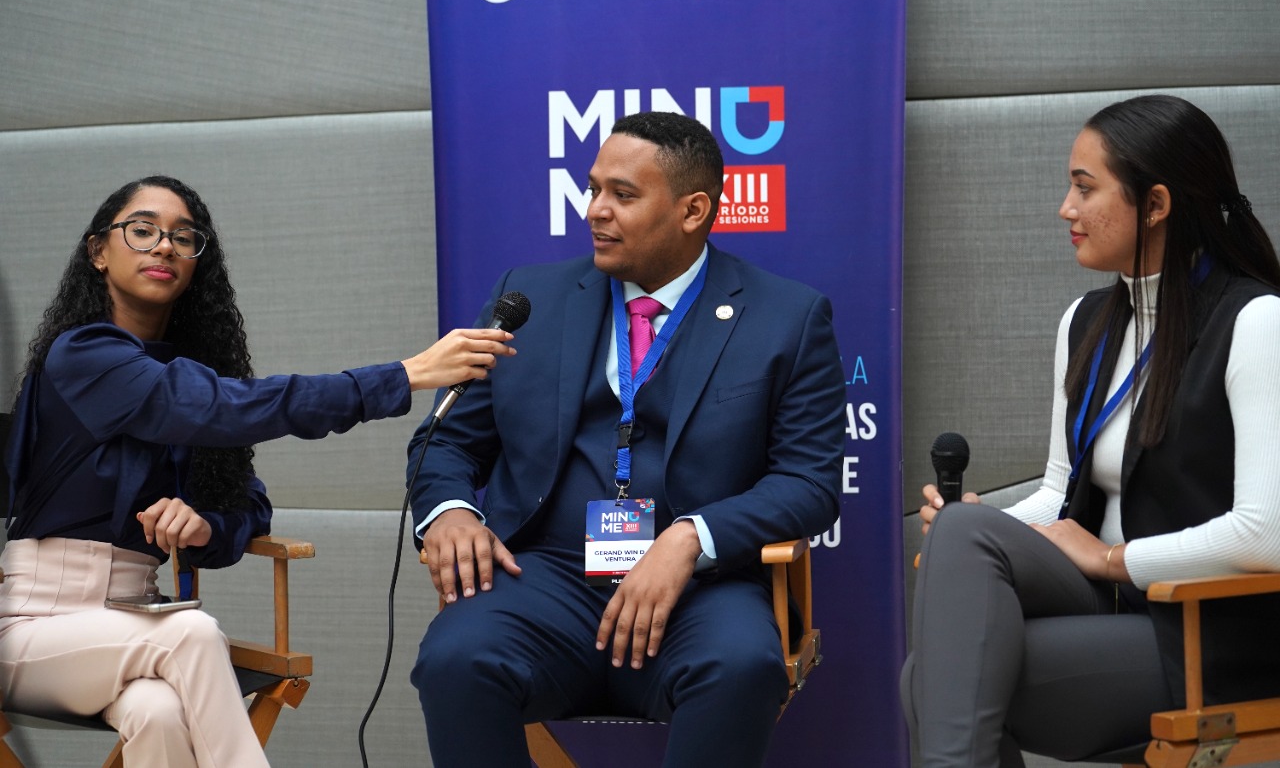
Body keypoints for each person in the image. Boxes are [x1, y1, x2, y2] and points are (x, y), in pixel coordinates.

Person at [0, 175, 515, 768]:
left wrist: (205, 527)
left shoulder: (187, 373)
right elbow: (226, 407)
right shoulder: (84, 354)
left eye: (183, 237)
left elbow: (249, 505)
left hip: (133, 619)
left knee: (157, 712)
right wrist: (403, 375)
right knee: (193, 634)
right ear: (98, 251)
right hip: (33, 622)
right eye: (142, 231)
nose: (164, 245)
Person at [408, 111, 845, 767]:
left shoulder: (787, 316)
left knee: (742, 666)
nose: (596, 210)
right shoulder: (528, 298)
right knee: (454, 657)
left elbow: (809, 482)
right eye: (593, 189)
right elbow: (445, 442)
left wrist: (690, 538)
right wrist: (449, 513)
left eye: (623, 194)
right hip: (544, 577)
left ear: (693, 211)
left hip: (701, 590)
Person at [901, 94, 1280, 766]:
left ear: (1155, 204)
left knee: (929, 680)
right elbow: (1059, 492)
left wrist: (1111, 559)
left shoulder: (1256, 322)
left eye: (1084, 188)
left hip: (1204, 629)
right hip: (1109, 602)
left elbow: (1266, 535)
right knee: (962, 530)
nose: (1065, 209)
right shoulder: (1085, 320)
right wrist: (986, 524)